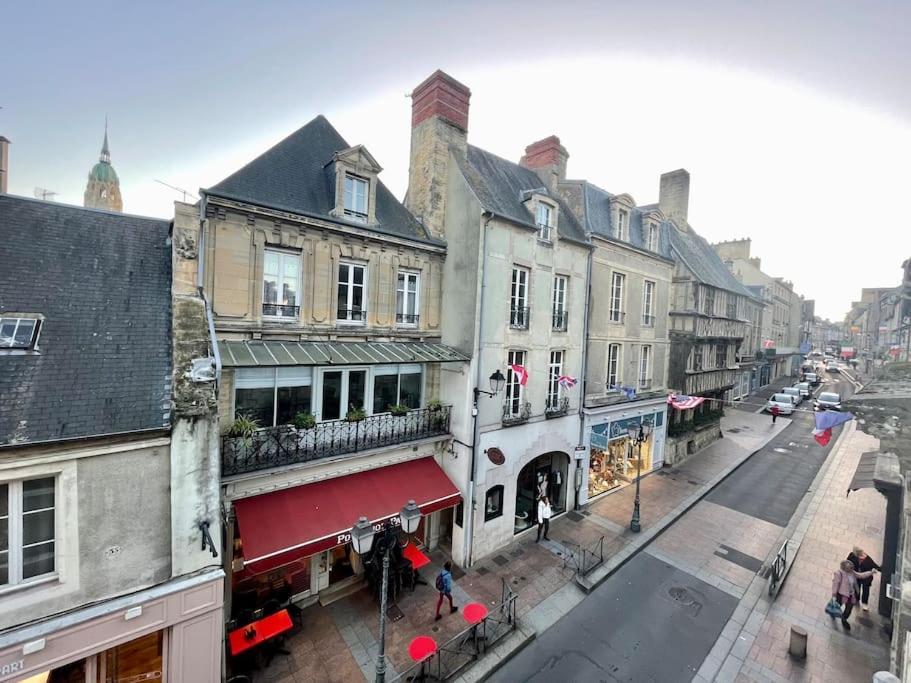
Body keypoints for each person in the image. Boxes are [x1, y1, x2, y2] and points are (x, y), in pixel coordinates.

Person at [831, 559, 874, 629]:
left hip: (850, 595)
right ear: (844, 568)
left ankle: (844, 619)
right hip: (841, 594)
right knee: (837, 605)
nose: (852, 568)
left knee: (848, 609)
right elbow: (835, 584)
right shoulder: (839, 574)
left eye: (852, 567)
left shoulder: (852, 573)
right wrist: (834, 595)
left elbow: (861, 575)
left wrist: (871, 573)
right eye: (850, 567)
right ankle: (833, 612)